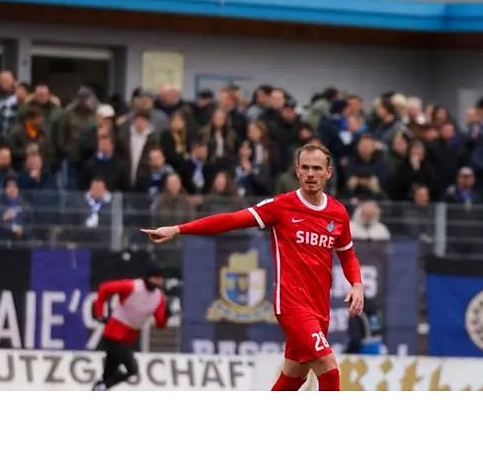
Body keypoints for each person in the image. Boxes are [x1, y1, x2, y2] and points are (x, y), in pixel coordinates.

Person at [141, 143, 364, 391]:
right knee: (328, 367)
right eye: (305, 168)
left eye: (317, 168)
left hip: (320, 308)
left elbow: (348, 255)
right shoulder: (281, 207)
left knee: (293, 376)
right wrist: (178, 229)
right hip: (292, 304)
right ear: (297, 171)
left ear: (328, 172)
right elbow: (230, 220)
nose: (311, 174)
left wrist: (357, 284)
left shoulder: (337, 213)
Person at [91, 264, 168, 391]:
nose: (158, 282)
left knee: (108, 375)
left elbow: (160, 323)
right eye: (155, 278)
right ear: (148, 278)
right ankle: (102, 385)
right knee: (132, 369)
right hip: (114, 333)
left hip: (129, 337)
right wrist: (99, 313)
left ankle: (101, 386)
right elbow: (104, 288)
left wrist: (167, 314)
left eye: (160, 279)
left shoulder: (159, 297)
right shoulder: (132, 286)